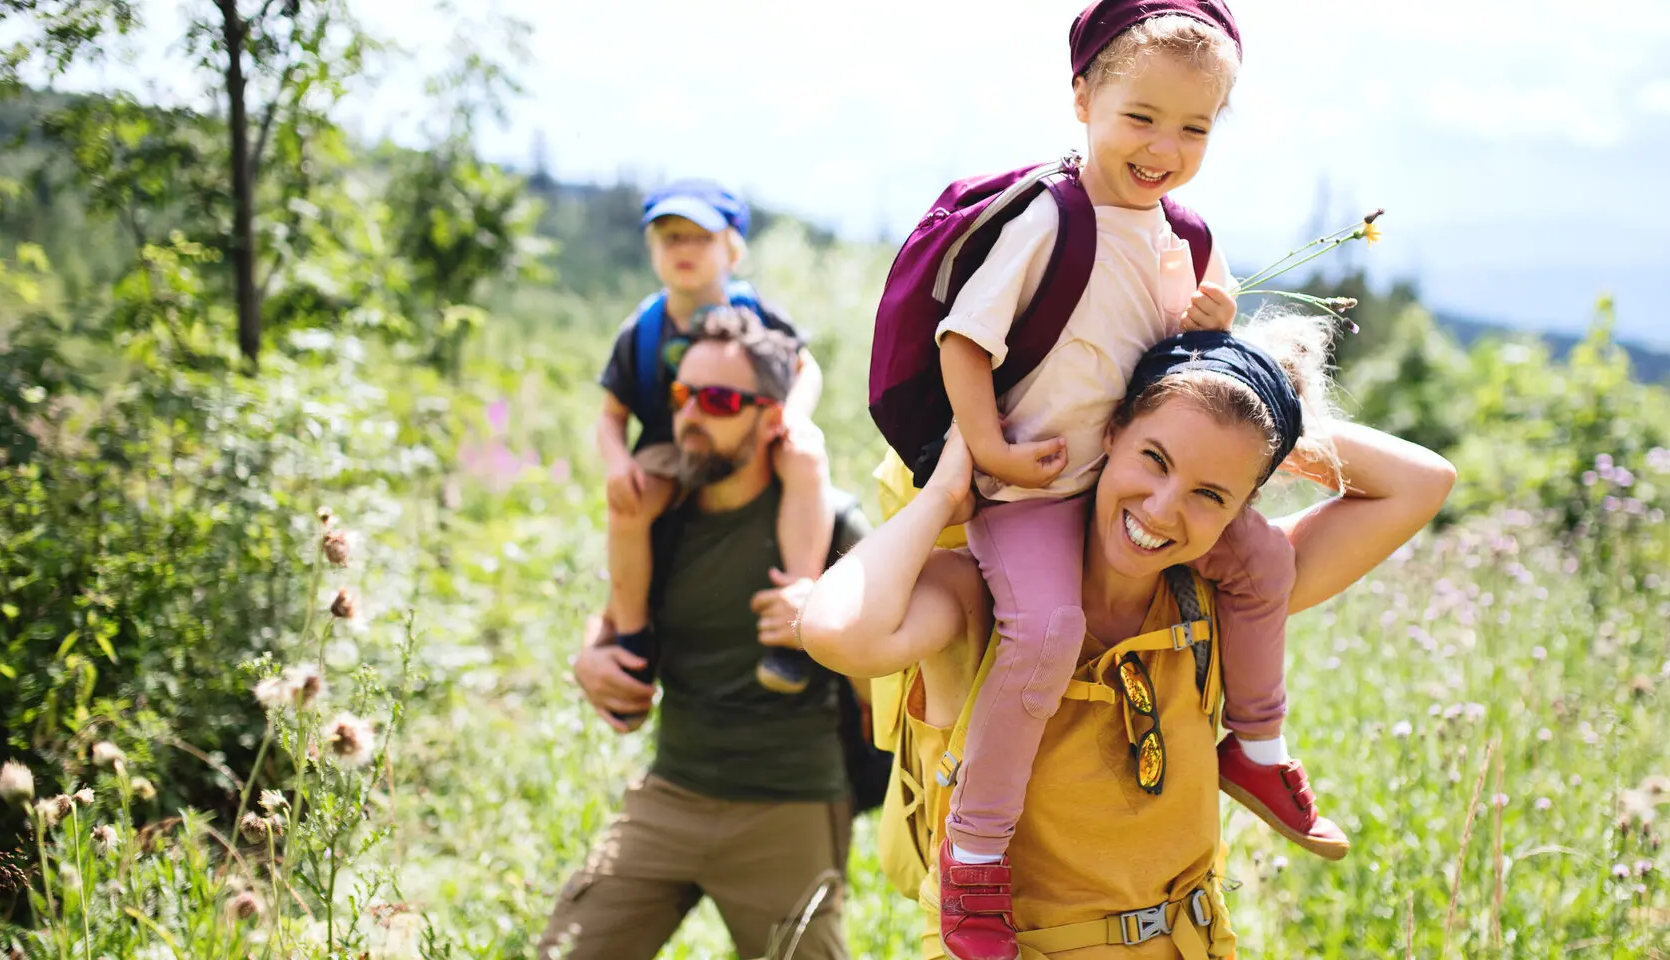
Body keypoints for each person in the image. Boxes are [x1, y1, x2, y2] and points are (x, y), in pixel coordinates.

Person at [875, 3, 1343, 955]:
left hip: (1122, 485)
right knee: (1044, 632)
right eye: (1142, 117)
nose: (1164, 146)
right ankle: (975, 854)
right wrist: (990, 455)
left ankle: (1256, 751)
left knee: (1259, 564)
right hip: (1037, 492)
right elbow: (964, 340)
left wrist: (1208, 324)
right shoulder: (1051, 218)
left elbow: (1170, 378)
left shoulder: (1184, 233)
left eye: (1194, 128)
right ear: (1081, 97)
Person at [806, 323, 1456, 959]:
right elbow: (838, 633)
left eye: (1210, 493)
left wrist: (1255, 407)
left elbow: (1423, 483)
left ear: (1241, 507)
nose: (1163, 508)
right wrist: (946, 491)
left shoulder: (1216, 599)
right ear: (1108, 432)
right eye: (1155, 458)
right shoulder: (984, 598)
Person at [545, 309, 871, 960]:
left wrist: (829, 626)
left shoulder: (832, 527)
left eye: (718, 399)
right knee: (566, 952)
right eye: (681, 396)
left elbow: (891, 683)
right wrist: (588, 661)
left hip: (790, 806)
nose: (691, 415)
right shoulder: (659, 515)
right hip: (672, 792)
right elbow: (609, 626)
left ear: (771, 416)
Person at [597, 179, 832, 702]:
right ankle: (634, 642)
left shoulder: (757, 312)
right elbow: (610, 416)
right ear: (652, 249)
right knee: (628, 506)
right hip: (669, 444)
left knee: (805, 456)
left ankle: (794, 614)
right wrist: (617, 463)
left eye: (699, 238)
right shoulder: (643, 329)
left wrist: (793, 414)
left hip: (750, 433)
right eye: (669, 238)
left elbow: (805, 367)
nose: (683, 250)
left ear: (732, 249)